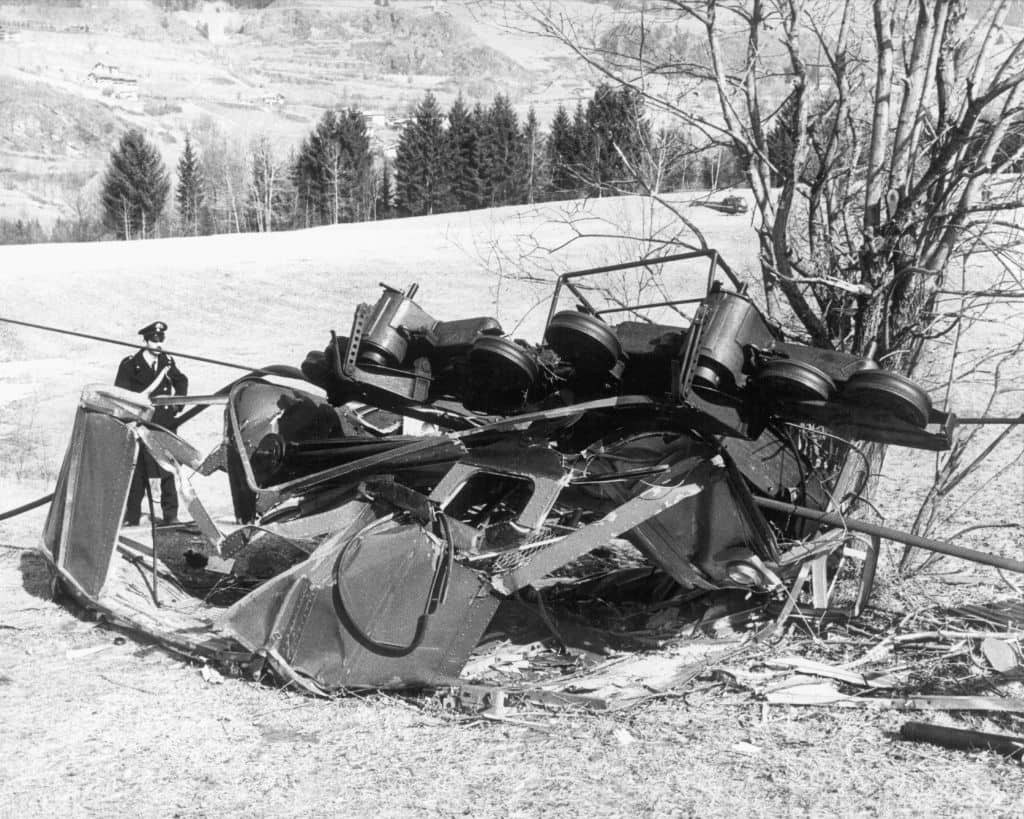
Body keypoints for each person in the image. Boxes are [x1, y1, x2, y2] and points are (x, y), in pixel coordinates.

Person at [115, 321, 189, 526]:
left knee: (168, 470)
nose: (159, 344)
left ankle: (171, 515)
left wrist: (177, 405)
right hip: (140, 426)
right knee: (137, 472)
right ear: (145, 341)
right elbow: (121, 394)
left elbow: (181, 380)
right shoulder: (130, 364)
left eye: (161, 340)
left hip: (164, 425)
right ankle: (132, 516)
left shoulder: (167, 361)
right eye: (155, 340)